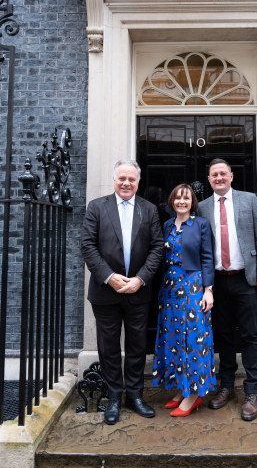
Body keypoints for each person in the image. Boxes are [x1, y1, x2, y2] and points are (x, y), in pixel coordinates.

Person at [81, 160, 163, 425]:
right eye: (122, 178)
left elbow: (157, 248)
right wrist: (109, 277)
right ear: (114, 179)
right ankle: (115, 396)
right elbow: (87, 245)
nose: (126, 183)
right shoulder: (97, 207)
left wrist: (140, 279)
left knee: (138, 346)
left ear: (138, 182)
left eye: (132, 179)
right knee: (109, 348)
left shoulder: (149, 209)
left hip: (138, 292)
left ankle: (136, 396)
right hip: (106, 293)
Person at [198, 159, 257, 422]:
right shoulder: (203, 206)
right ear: (209, 179)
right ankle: (226, 385)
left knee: (250, 335)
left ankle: (252, 390)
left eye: (222, 174)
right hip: (217, 281)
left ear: (231, 176)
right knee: (224, 335)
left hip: (245, 279)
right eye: (214, 175)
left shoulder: (248, 199)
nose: (219, 178)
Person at [152, 184, 216, 416]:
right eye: (178, 197)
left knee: (193, 338)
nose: (181, 201)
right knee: (175, 337)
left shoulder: (200, 224)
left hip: (193, 286)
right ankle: (181, 389)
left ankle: (193, 395)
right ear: (172, 201)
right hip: (169, 288)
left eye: (186, 198)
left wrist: (208, 290)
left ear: (192, 202)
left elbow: (207, 257)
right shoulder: (167, 225)